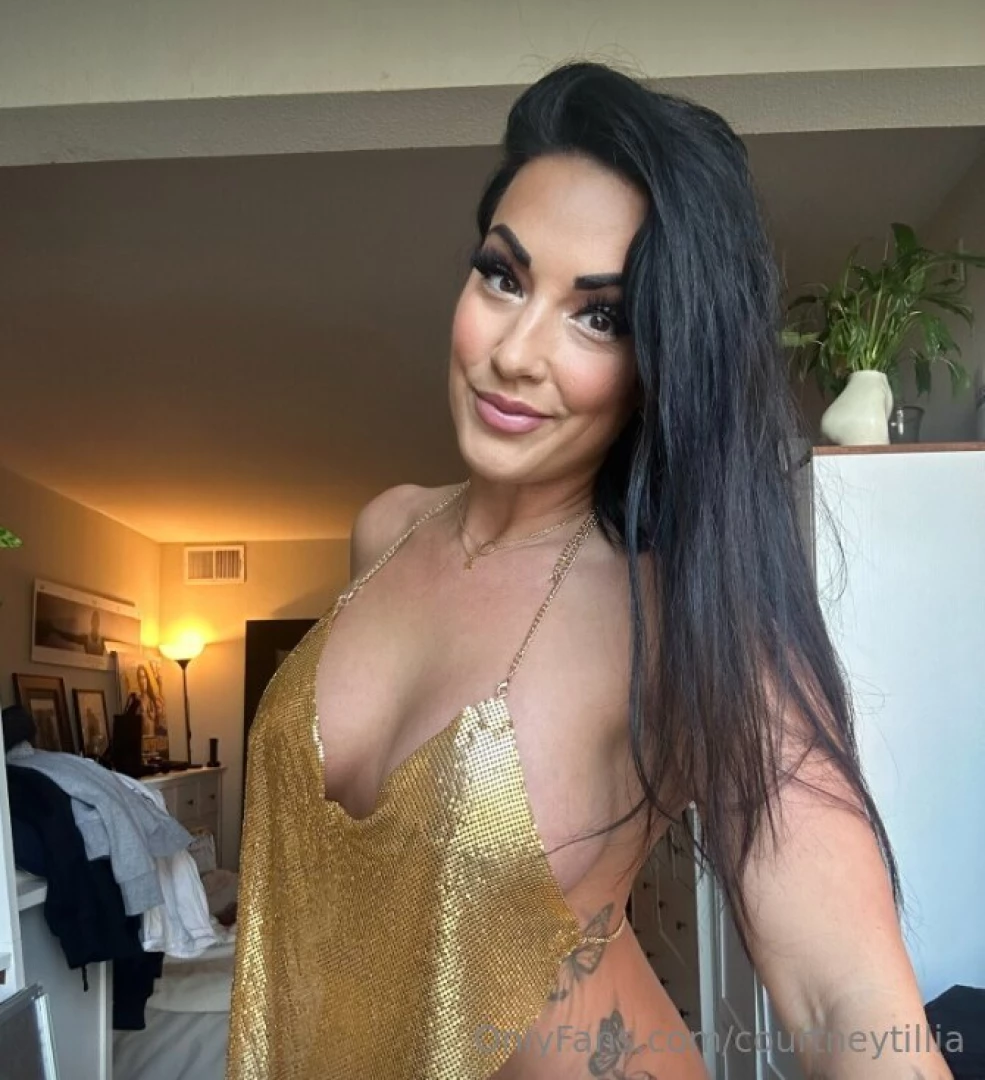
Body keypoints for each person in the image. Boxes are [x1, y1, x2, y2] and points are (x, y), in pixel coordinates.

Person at [227, 62, 949, 1080]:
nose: (516, 353)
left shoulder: (687, 614)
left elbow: (848, 1004)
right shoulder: (385, 530)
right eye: (503, 276)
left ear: (659, 361)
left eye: (598, 316)